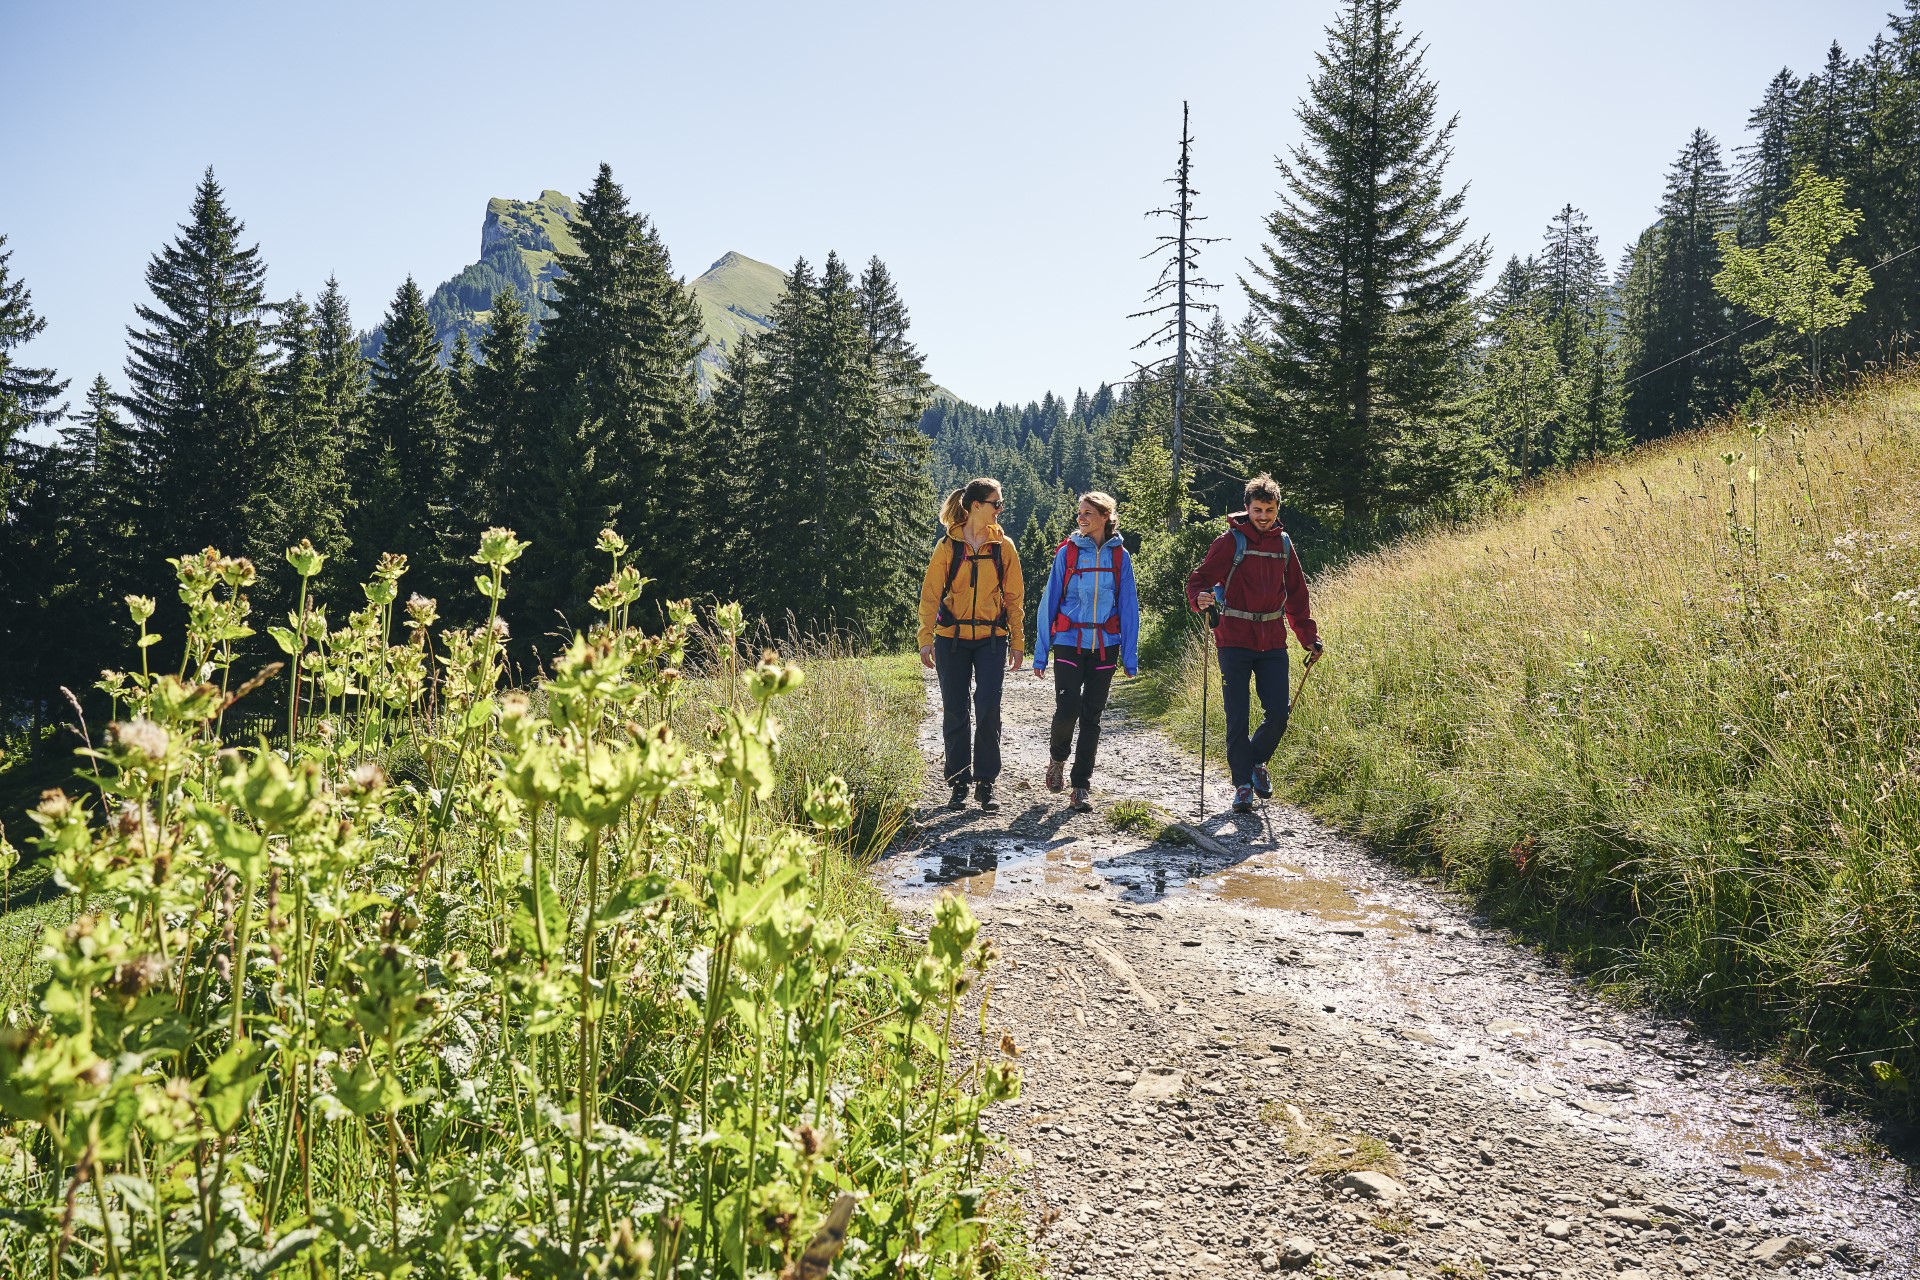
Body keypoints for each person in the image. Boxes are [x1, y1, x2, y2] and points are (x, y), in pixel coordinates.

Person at [1185, 473, 1322, 815]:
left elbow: (1297, 598)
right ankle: (1243, 786)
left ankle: (1257, 761)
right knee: (1238, 717)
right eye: (1258, 509)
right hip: (1233, 640)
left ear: (1277, 510)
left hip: (1273, 641)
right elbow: (1199, 580)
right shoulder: (1230, 542)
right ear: (1247, 508)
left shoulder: (1284, 545)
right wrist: (1199, 598)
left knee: (1278, 713)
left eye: (1270, 510)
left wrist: (1309, 638)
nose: (1264, 516)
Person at [919, 478, 1025, 812]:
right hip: (951, 640)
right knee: (955, 710)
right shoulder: (948, 547)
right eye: (997, 503)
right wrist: (925, 638)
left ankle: (986, 783)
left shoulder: (1003, 547)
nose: (1001, 509)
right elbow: (931, 595)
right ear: (976, 506)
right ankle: (959, 783)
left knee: (988, 709)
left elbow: (1014, 598)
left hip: (992, 640)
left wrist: (1018, 641)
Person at [1032, 491, 1140, 813]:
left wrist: (1130, 655)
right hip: (1068, 640)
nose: (1081, 518)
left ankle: (1080, 787)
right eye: (1079, 513)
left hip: (1106, 645)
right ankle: (1058, 758)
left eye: (1088, 513)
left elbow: (1129, 607)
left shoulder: (1120, 557)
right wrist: (1041, 651)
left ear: (1105, 516)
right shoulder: (1067, 553)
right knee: (1067, 708)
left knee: (1092, 717)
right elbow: (1049, 601)